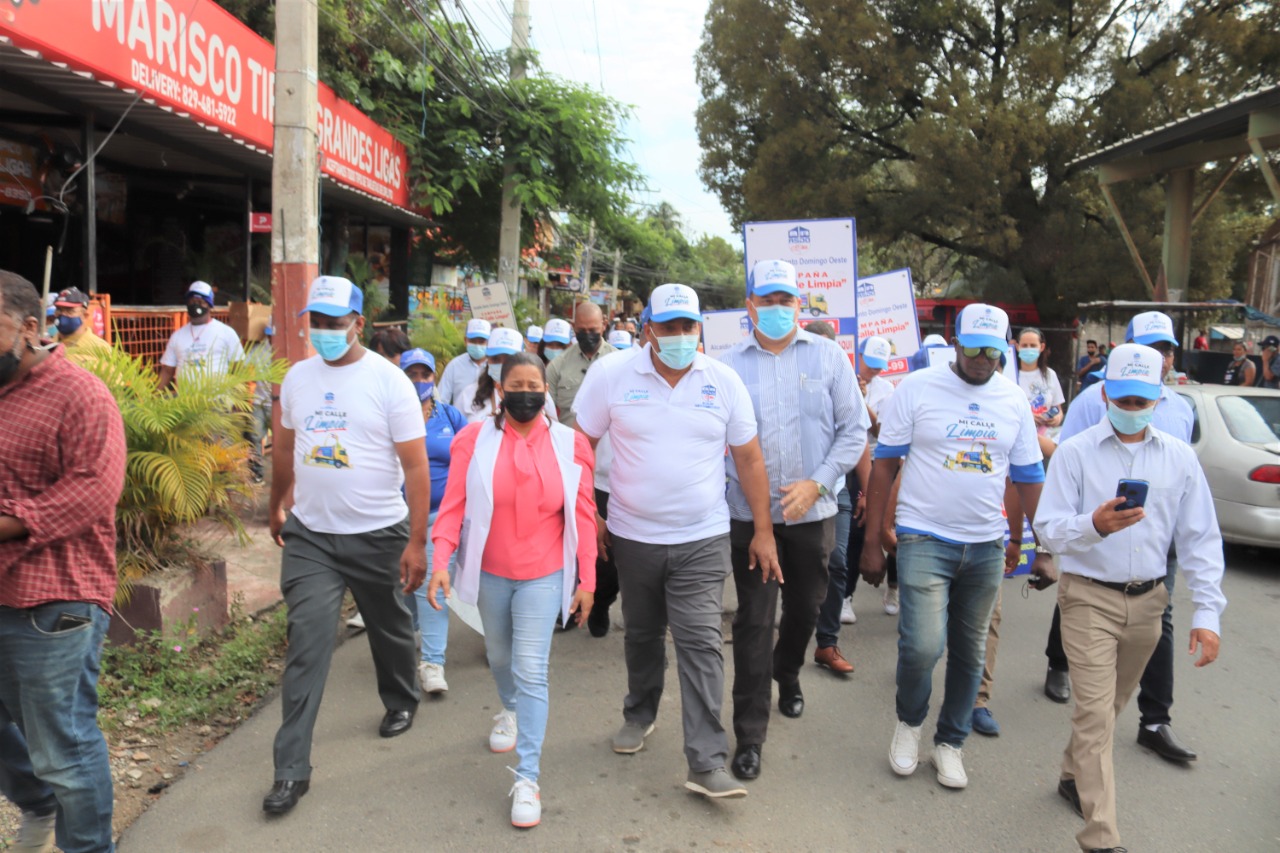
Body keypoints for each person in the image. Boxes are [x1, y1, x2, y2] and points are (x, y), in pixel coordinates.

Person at [574, 283, 780, 800]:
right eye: (670, 327)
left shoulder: (723, 381)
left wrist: (762, 530)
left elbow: (750, 459)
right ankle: (639, 713)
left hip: (702, 537)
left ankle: (707, 760)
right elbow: (578, 443)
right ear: (648, 331)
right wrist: (585, 515)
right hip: (632, 535)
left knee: (702, 645)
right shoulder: (611, 375)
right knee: (641, 634)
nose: (682, 336)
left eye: (690, 327)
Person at [1034, 343, 1225, 853]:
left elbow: (1200, 539)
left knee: (1111, 706)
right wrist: (1092, 526)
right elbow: (1048, 530)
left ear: (1159, 399)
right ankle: (1102, 837)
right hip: (1087, 598)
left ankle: (1073, 774)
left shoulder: (1179, 458)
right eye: (1123, 398)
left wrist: (1207, 614)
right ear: (1104, 393)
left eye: (1142, 401)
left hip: (1148, 603)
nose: (1132, 409)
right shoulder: (1075, 453)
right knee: (1094, 714)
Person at [860, 303, 1044, 790]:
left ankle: (951, 742)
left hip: (984, 543)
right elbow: (884, 465)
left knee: (971, 651)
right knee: (922, 646)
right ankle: (910, 722)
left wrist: (1033, 540)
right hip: (924, 537)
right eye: (972, 347)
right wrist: (874, 539)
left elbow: (1027, 478)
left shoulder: (1013, 400)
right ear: (955, 343)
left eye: (992, 349)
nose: (982, 358)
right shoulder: (917, 389)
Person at [264, 276, 429, 816]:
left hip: (379, 533)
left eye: (336, 323)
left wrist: (416, 540)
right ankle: (291, 770)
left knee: (391, 628)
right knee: (307, 643)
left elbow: (415, 466)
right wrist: (277, 501)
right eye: (317, 322)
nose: (325, 332)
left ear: (359, 323)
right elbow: (285, 448)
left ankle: (401, 698)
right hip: (311, 535)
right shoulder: (297, 378)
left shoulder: (389, 382)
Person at [427, 351, 597, 828]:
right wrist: (440, 563)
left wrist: (588, 580)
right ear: (500, 391)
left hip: (543, 573)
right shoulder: (472, 440)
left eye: (534, 385)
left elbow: (583, 516)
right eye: (515, 385)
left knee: (530, 668)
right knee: (499, 658)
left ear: (546, 391)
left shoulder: (570, 444)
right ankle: (509, 710)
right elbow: (454, 508)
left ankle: (527, 777)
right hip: (490, 573)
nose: (526, 393)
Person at [719, 260, 868, 781]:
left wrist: (818, 482)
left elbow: (854, 431)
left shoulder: (828, 357)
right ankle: (749, 735)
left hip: (814, 514)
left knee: (806, 607)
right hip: (748, 514)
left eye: (788, 299)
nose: (779, 308)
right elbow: (719, 440)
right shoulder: (728, 365)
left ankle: (789, 670)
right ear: (751, 304)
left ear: (799, 305)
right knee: (754, 621)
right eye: (769, 299)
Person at [0, 270, 127, 853]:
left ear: (30, 328)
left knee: (64, 747)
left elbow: (92, 490)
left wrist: (9, 521)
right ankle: (38, 804)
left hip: (54, 601)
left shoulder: (80, 394)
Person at [1040, 310, 1200, 764]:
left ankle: (1155, 719)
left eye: (1165, 349)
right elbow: (1066, 469)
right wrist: (1088, 525)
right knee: (1078, 607)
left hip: (1153, 548)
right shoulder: (1092, 402)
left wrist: (1209, 610)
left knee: (1159, 620)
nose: (1159, 357)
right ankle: (1059, 661)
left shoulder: (1181, 410)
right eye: (1149, 349)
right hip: (1092, 554)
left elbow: (1195, 511)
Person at [399, 348, 468, 694]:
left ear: (434, 379)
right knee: (406, 587)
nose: (419, 381)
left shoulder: (450, 416)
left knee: (432, 585)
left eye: (425, 375)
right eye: (411, 374)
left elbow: (471, 454)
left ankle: (432, 663)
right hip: (399, 518)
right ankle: (410, 632)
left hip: (441, 518)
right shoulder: (390, 414)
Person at [836, 336, 899, 624]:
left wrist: (863, 401)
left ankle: (894, 588)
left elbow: (879, 430)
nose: (873, 371)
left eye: (878, 366)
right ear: (858, 355)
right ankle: (846, 596)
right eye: (869, 363)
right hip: (850, 462)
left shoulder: (888, 391)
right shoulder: (842, 375)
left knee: (893, 526)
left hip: (879, 462)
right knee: (856, 529)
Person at [157, 281, 245, 391]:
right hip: (185, 404)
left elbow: (239, 370)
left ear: (209, 304)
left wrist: (239, 403)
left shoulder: (226, 332)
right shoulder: (177, 336)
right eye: (192, 301)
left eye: (200, 301)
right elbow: (167, 371)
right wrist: (153, 398)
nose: (195, 305)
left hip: (218, 403)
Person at [545, 301, 615, 427]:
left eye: (593, 330)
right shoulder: (558, 365)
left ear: (604, 325)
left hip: (606, 444)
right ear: (573, 327)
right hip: (569, 442)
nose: (588, 335)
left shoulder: (618, 361)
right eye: (582, 330)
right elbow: (545, 412)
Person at [245, 325, 275, 484]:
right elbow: (243, 366)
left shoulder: (286, 348)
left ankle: (283, 474)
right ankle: (257, 473)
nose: (271, 338)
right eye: (269, 335)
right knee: (255, 436)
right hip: (259, 401)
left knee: (282, 441)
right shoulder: (258, 349)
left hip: (278, 403)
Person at [437, 318, 491, 407]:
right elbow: (441, 400)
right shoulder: (454, 365)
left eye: (481, 342)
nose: (477, 345)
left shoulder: (495, 367)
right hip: (460, 419)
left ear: (489, 342)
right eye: (473, 341)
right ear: (465, 341)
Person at [51, 287, 109, 366]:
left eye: (69, 311)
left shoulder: (100, 348)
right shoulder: (48, 345)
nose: (63, 315)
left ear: (85, 316)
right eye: (59, 310)